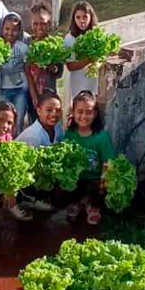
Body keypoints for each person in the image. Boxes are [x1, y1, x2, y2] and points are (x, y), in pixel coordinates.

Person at [64, 90, 114, 225]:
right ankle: (79, 201)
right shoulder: (69, 134)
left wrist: (105, 180)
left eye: (88, 112)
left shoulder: (101, 136)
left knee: (98, 187)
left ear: (95, 114)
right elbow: (65, 161)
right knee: (64, 186)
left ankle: (93, 206)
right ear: (73, 113)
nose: (84, 116)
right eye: (79, 112)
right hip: (77, 180)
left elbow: (108, 162)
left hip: (95, 180)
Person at [16, 90, 64, 211]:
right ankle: (28, 198)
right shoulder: (33, 136)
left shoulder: (57, 127)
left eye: (58, 110)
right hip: (25, 175)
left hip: (42, 172)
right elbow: (26, 167)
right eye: (49, 110)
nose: (54, 114)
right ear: (38, 111)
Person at [26, 1, 62, 122]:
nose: (39, 27)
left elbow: (59, 72)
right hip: (32, 93)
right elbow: (28, 72)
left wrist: (51, 66)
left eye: (43, 24)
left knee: (50, 121)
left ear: (49, 24)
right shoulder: (28, 43)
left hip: (49, 92)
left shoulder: (55, 44)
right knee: (34, 121)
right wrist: (34, 96)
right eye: (35, 24)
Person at [0, 13, 29, 132]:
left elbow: (27, 69)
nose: (10, 32)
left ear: (19, 31)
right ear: (2, 29)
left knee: (17, 122)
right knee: (3, 121)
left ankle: (17, 146)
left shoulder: (23, 47)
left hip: (20, 89)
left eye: (14, 30)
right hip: (3, 89)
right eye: (7, 29)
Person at [63, 1, 100, 111]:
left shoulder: (97, 35)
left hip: (94, 82)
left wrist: (97, 62)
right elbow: (70, 66)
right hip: (77, 83)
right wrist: (89, 59)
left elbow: (103, 56)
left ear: (91, 17)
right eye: (78, 17)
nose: (82, 20)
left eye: (85, 16)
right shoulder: (70, 38)